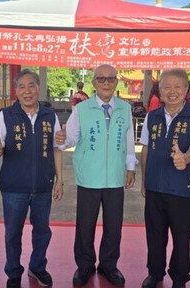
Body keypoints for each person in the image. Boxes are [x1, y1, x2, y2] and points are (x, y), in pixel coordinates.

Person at [59, 64, 137, 287]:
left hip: (114, 176)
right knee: (85, 224)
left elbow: (129, 140)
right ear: (93, 83)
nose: (105, 83)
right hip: (89, 177)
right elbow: (71, 139)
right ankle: (84, 266)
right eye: (101, 79)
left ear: (116, 82)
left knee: (114, 225)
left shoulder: (125, 108)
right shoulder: (81, 109)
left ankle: (108, 265)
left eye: (110, 79)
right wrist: (62, 139)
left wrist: (130, 167)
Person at [0, 69, 64, 288]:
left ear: (38, 88)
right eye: (21, 86)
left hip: (43, 186)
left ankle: (38, 267)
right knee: (13, 232)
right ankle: (13, 272)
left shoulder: (50, 116)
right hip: (13, 187)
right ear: (16, 90)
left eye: (31, 85)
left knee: (42, 230)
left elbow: (57, 149)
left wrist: (60, 180)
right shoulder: (6, 115)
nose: (27, 91)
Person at [139, 69, 190, 288]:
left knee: (181, 237)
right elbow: (146, 149)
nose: (172, 91)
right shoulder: (152, 116)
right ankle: (155, 273)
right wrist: (143, 180)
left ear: (186, 89)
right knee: (155, 235)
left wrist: (185, 159)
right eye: (166, 86)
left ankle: (179, 278)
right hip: (155, 187)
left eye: (178, 87)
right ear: (160, 90)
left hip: (182, 190)